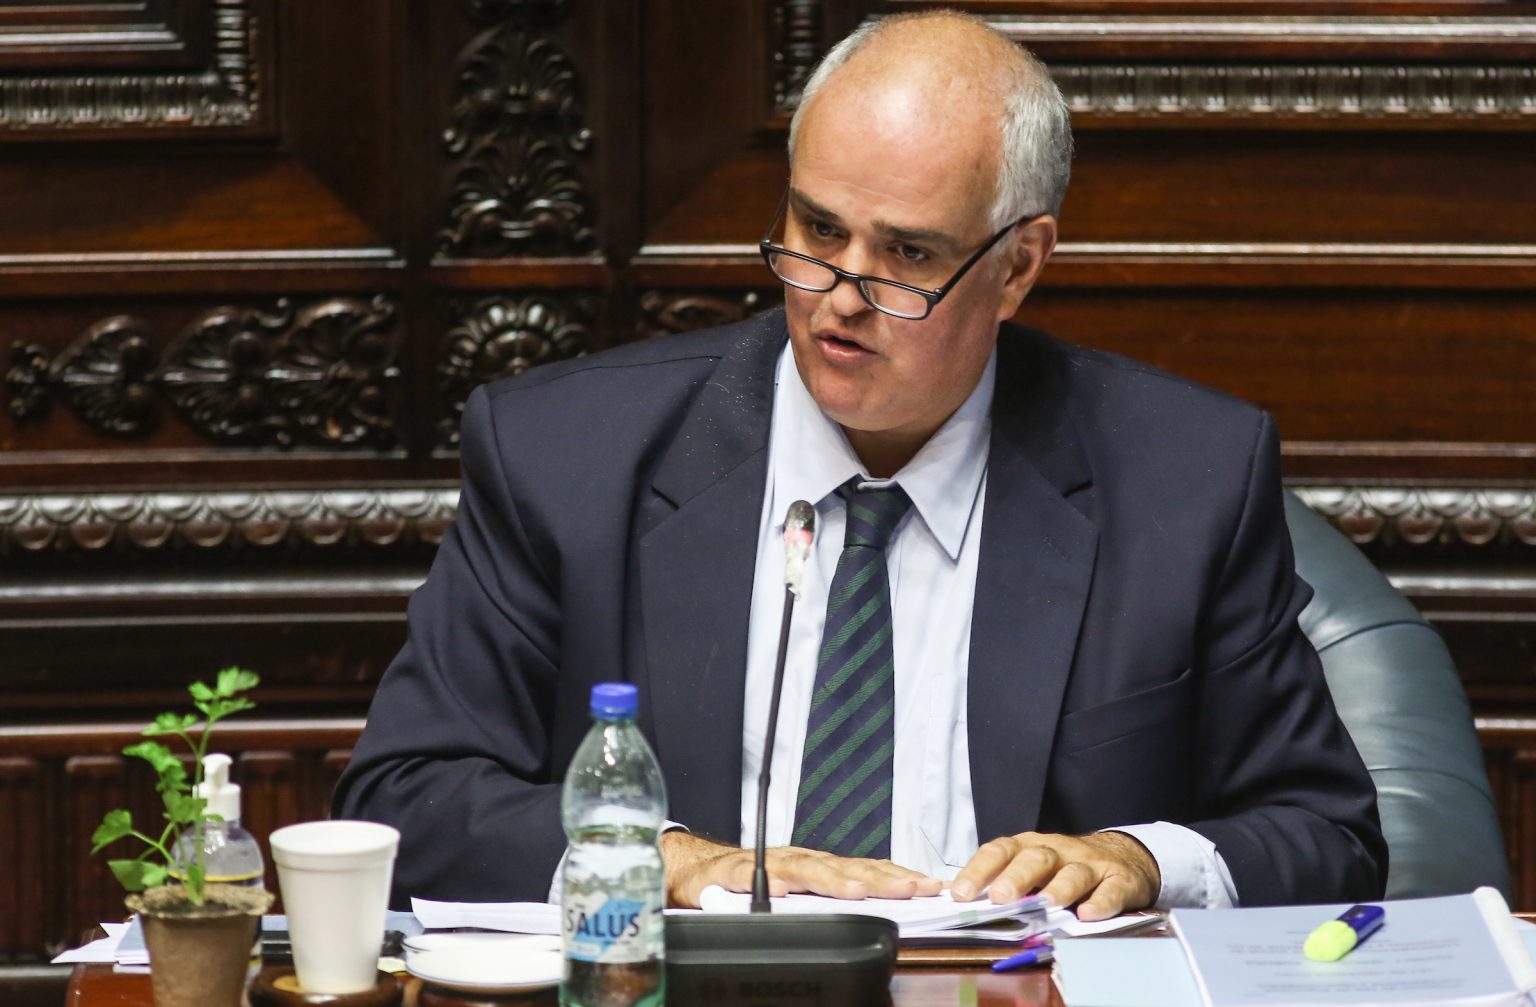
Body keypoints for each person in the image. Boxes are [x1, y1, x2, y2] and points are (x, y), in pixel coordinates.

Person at [335, 11, 1385, 917]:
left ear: (1019, 266)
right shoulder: (567, 457)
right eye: (817, 229)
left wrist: (1140, 859)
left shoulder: (1183, 480)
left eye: (908, 255)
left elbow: (1325, 832)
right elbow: (404, 798)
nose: (841, 294)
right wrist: (665, 863)